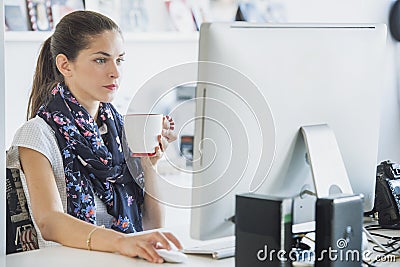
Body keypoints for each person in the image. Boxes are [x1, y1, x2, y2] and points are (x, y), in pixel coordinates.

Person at [6, 10, 180, 264]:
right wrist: (121, 242)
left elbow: (150, 226)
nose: (115, 72)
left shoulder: (121, 131)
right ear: (65, 65)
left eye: (120, 60)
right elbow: (50, 222)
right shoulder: (37, 133)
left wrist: (148, 163)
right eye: (101, 60)